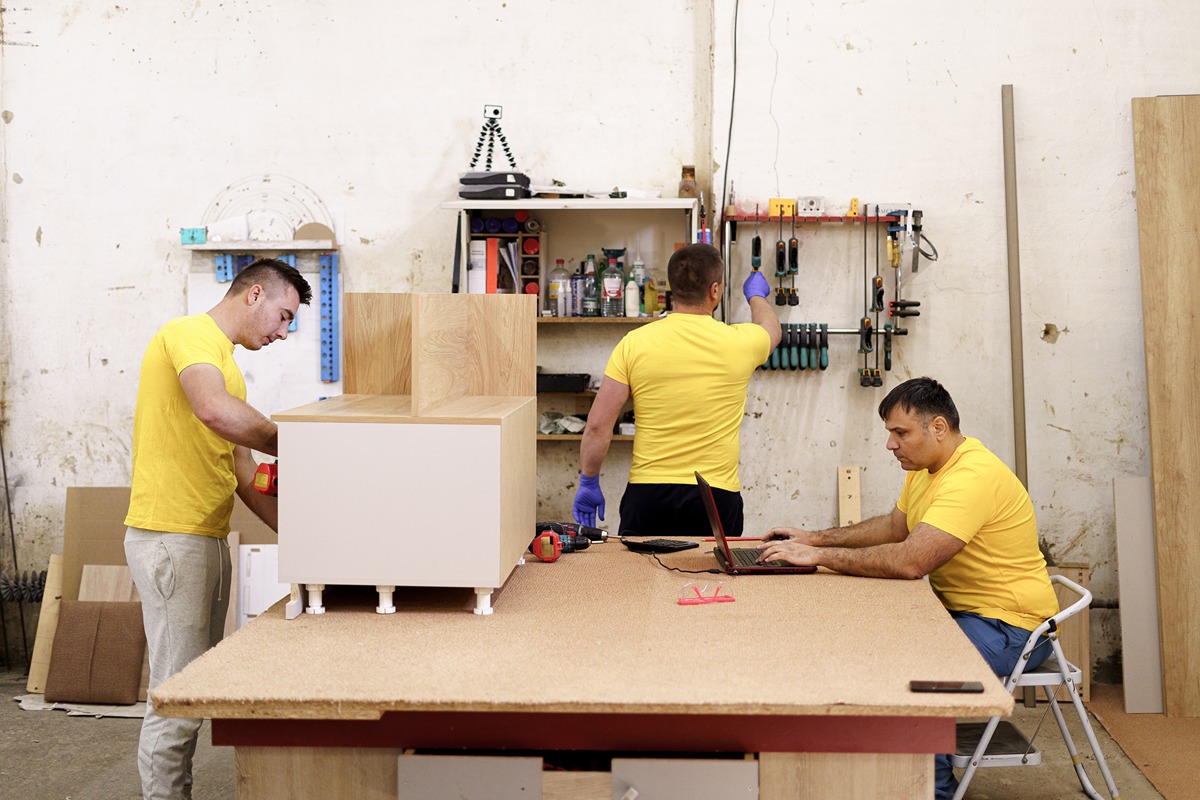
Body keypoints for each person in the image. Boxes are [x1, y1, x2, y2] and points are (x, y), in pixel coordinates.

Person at [756, 376, 1058, 800]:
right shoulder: (927, 469)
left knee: (918, 672)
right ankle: (869, 774)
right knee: (873, 644)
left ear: (938, 427)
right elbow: (894, 527)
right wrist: (814, 538)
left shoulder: (971, 477)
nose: (891, 445)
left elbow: (910, 561)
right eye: (890, 433)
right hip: (965, 614)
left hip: (1013, 626)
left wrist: (819, 557)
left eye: (901, 433)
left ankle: (932, 792)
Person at [123, 258, 312, 800]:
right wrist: (299, 443)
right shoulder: (190, 335)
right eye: (283, 315)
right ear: (254, 294)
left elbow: (244, 473)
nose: (283, 332)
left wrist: (307, 540)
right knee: (177, 696)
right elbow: (211, 409)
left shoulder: (226, 366)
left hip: (202, 538)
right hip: (171, 537)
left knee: (193, 689)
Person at [572, 243, 781, 537]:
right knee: (715, 569)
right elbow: (772, 329)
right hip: (715, 497)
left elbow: (596, 426)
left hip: (648, 495)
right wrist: (756, 296)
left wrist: (589, 481)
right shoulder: (740, 342)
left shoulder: (634, 343)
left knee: (639, 569)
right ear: (715, 290)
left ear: (672, 288)